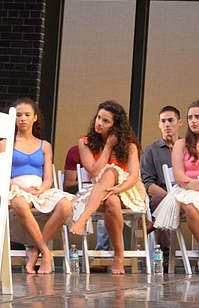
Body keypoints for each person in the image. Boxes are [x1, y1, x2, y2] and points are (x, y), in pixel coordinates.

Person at [0, 98, 73, 274]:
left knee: (65, 205)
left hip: (39, 188)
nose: (23, 119)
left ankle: (35, 250)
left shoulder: (44, 145)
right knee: (19, 203)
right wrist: (22, 189)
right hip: (16, 186)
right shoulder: (5, 143)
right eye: (19, 115)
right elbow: (2, 174)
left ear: (35, 118)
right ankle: (45, 252)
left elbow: (48, 177)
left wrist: (42, 189)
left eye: (27, 115)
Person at [69, 100, 146, 274]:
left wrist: (118, 189)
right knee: (111, 201)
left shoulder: (129, 146)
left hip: (127, 190)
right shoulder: (85, 143)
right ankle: (119, 255)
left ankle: (83, 219)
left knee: (111, 171)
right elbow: (95, 171)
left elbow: (134, 176)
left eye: (106, 121)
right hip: (101, 192)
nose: (99, 123)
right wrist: (107, 147)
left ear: (115, 126)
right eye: (98, 118)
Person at [153, 101, 199, 270]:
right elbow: (179, 176)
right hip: (185, 190)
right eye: (190, 117)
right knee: (189, 206)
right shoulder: (181, 144)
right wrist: (194, 184)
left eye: (197, 117)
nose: (193, 121)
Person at [141, 106, 181, 252]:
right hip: (163, 195)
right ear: (159, 124)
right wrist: (170, 197)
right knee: (158, 202)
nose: (167, 125)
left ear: (179, 122)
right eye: (163, 121)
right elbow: (148, 184)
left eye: (170, 120)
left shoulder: (188, 148)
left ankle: (154, 224)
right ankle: (164, 253)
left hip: (187, 193)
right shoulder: (151, 150)